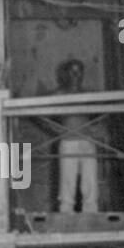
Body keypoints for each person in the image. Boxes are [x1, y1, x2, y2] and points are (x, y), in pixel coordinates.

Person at [52, 59, 99, 213]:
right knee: (68, 178)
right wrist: (56, 129)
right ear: (66, 74)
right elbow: (39, 113)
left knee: (90, 178)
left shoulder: (89, 94)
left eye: (79, 71)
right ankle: (66, 211)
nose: (76, 75)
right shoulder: (59, 94)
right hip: (68, 141)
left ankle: (91, 210)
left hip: (87, 140)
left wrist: (96, 128)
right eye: (72, 71)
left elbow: (102, 113)